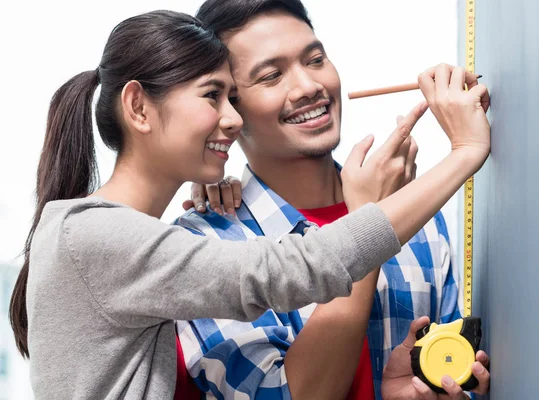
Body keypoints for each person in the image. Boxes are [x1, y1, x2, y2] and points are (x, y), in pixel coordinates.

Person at [7, 10, 487, 399]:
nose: (231, 119)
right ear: (137, 108)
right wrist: (463, 153)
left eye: (316, 59)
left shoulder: (124, 242)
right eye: (215, 96)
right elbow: (291, 270)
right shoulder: (106, 237)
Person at [175, 1, 490, 399]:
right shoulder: (202, 248)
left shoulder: (423, 223)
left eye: (316, 59)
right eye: (272, 76)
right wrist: (368, 225)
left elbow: (455, 378)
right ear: (228, 110)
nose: (308, 86)